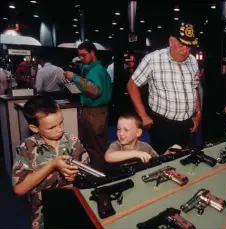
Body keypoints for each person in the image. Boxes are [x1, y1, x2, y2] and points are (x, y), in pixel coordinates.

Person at [11, 95, 90, 229]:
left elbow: (87, 174)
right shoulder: (27, 148)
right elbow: (19, 189)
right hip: (43, 215)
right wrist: (51, 165)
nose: (59, 129)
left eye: (61, 122)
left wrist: (75, 177)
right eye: (51, 127)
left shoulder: (72, 141)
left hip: (74, 208)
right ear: (34, 128)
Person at [127, 22, 201, 154]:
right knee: (162, 164)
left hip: (186, 124)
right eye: (181, 45)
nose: (185, 51)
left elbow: (194, 88)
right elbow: (132, 85)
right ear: (171, 41)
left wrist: (198, 114)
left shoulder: (193, 61)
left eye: (189, 46)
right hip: (163, 125)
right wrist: (143, 115)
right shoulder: (153, 59)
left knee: (184, 159)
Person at [64, 41, 112, 171]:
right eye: (79, 56)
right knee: (99, 144)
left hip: (93, 112)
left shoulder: (95, 71)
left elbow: (95, 90)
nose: (81, 58)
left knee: (94, 146)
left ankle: (98, 175)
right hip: (99, 111)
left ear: (92, 53)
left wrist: (74, 77)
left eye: (84, 55)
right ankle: (104, 171)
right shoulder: (99, 69)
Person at [104, 113, 181, 164]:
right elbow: (108, 156)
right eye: (118, 129)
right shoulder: (117, 145)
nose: (121, 133)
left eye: (126, 130)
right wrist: (136, 153)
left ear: (138, 133)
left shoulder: (145, 147)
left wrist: (168, 152)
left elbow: (157, 161)